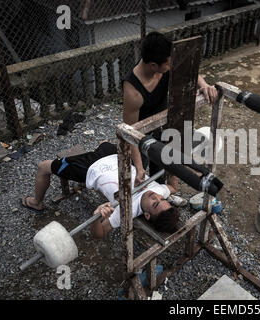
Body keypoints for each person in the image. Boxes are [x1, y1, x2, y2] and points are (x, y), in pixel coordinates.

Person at [20, 142, 180, 238]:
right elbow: (173, 187)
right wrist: (174, 167)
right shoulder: (160, 192)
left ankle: (37, 202)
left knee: (43, 167)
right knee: (105, 142)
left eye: (154, 204)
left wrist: (97, 217)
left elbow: (99, 234)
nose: (155, 196)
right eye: (162, 199)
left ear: (146, 214)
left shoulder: (125, 211)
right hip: (117, 158)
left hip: (92, 167)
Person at [123, 31, 218, 187]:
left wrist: (204, 86)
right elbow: (129, 132)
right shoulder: (133, 92)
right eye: (168, 64)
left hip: (162, 127)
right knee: (138, 175)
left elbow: (188, 71)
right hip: (141, 135)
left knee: (162, 167)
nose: (171, 65)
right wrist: (139, 168)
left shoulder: (163, 62)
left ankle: (164, 194)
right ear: (153, 65)